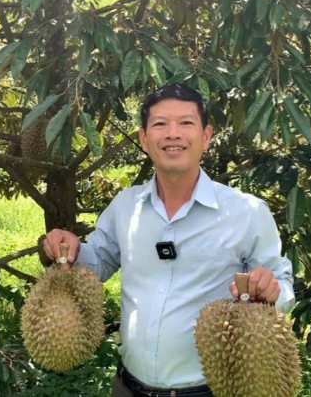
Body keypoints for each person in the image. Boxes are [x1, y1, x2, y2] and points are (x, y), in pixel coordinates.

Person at [42, 83, 295, 397]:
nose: (173, 133)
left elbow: (282, 286)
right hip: (129, 387)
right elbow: (99, 262)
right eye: (160, 124)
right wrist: (73, 249)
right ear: (144, 139)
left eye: (186, 123)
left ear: (206, 136)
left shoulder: (246, 212)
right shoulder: (126, 206)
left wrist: (271, 291)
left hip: (211, 391)